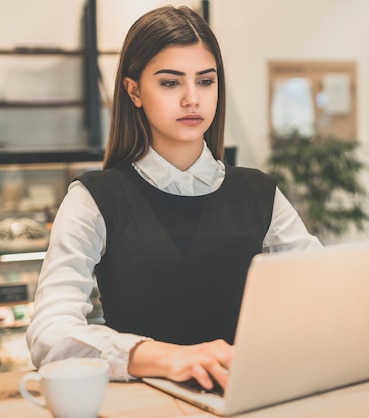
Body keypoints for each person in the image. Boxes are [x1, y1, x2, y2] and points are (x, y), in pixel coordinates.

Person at [26, 5, 321, 393]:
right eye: (170, 83)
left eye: (205, 81)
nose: (191, 99)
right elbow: (49, 332)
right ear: (134, 91)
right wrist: (165, 356)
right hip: (147, 401)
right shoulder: (94, 199)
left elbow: (322, 290)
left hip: (248, 395)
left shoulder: (260, 192)